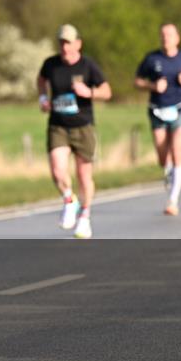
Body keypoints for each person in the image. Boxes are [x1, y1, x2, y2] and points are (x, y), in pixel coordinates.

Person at [37, 24, 111, 240]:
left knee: (83, 175)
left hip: (83, 126)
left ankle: (85, 217)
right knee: (58, 171)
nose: (64, 46)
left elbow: (107, 91)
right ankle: (69, 200)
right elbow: (41, 81)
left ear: (78, 44)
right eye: (61, 42)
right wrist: (43, 98)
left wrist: (89, 92)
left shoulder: (88, 66)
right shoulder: (51, 64)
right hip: (58, 125)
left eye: (68, 42)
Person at [134, 23, 181, 216]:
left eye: (170, 35)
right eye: (163, 35)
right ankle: (169, 170)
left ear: (177, 38)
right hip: (158, 111)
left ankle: (173, 200)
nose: (166, 38)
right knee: (163, 156)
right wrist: (153, 86)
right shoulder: (152, 58)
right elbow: (137, 81)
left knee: (177, 149)